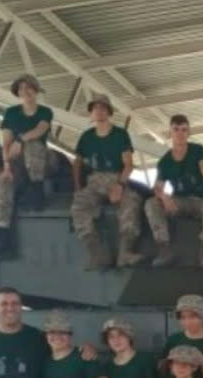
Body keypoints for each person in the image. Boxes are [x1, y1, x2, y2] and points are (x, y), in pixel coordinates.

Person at [70, 94, 143, 270]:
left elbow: (128, 165)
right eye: (95, 108)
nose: (99, 111)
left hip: (115, 178)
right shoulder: (87, 137)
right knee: (78, 207)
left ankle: (125, 253)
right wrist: (78, 187)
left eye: (102, 108)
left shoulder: (120, 134)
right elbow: (77, 162)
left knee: (131, 202)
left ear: (109, 112)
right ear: (91, 113)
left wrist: (120, 185)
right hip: (94, 181)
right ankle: (96, 254)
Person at [145, 114, 203, 268]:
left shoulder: (197, 150)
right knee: (151, 203)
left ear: (189, 133)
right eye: (176, 129)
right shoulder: (165, 161)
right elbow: (157, 187)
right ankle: (164, 249)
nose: (180, 133)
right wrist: (164, 197)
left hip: (200, 201)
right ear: (170, 133)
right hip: (179, 202)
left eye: (184, 130)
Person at [0, 74, 58, 249]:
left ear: (36, 90)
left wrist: (21, 139)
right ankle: (3, 231)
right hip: (17, 162)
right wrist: (6, 168)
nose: (25, 91)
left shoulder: (45, 111)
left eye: (29, 87)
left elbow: (40, 130)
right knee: (3, 185)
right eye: (21, 88)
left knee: (32, 145)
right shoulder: (11, 113)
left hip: (42, 161)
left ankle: (37, 189)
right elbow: (6, 142)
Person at [160, 294, 203, 378]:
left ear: (202, 316)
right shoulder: (173, 340)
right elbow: (163, 374)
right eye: (183, 317)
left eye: (192, 317)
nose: (188, 322)